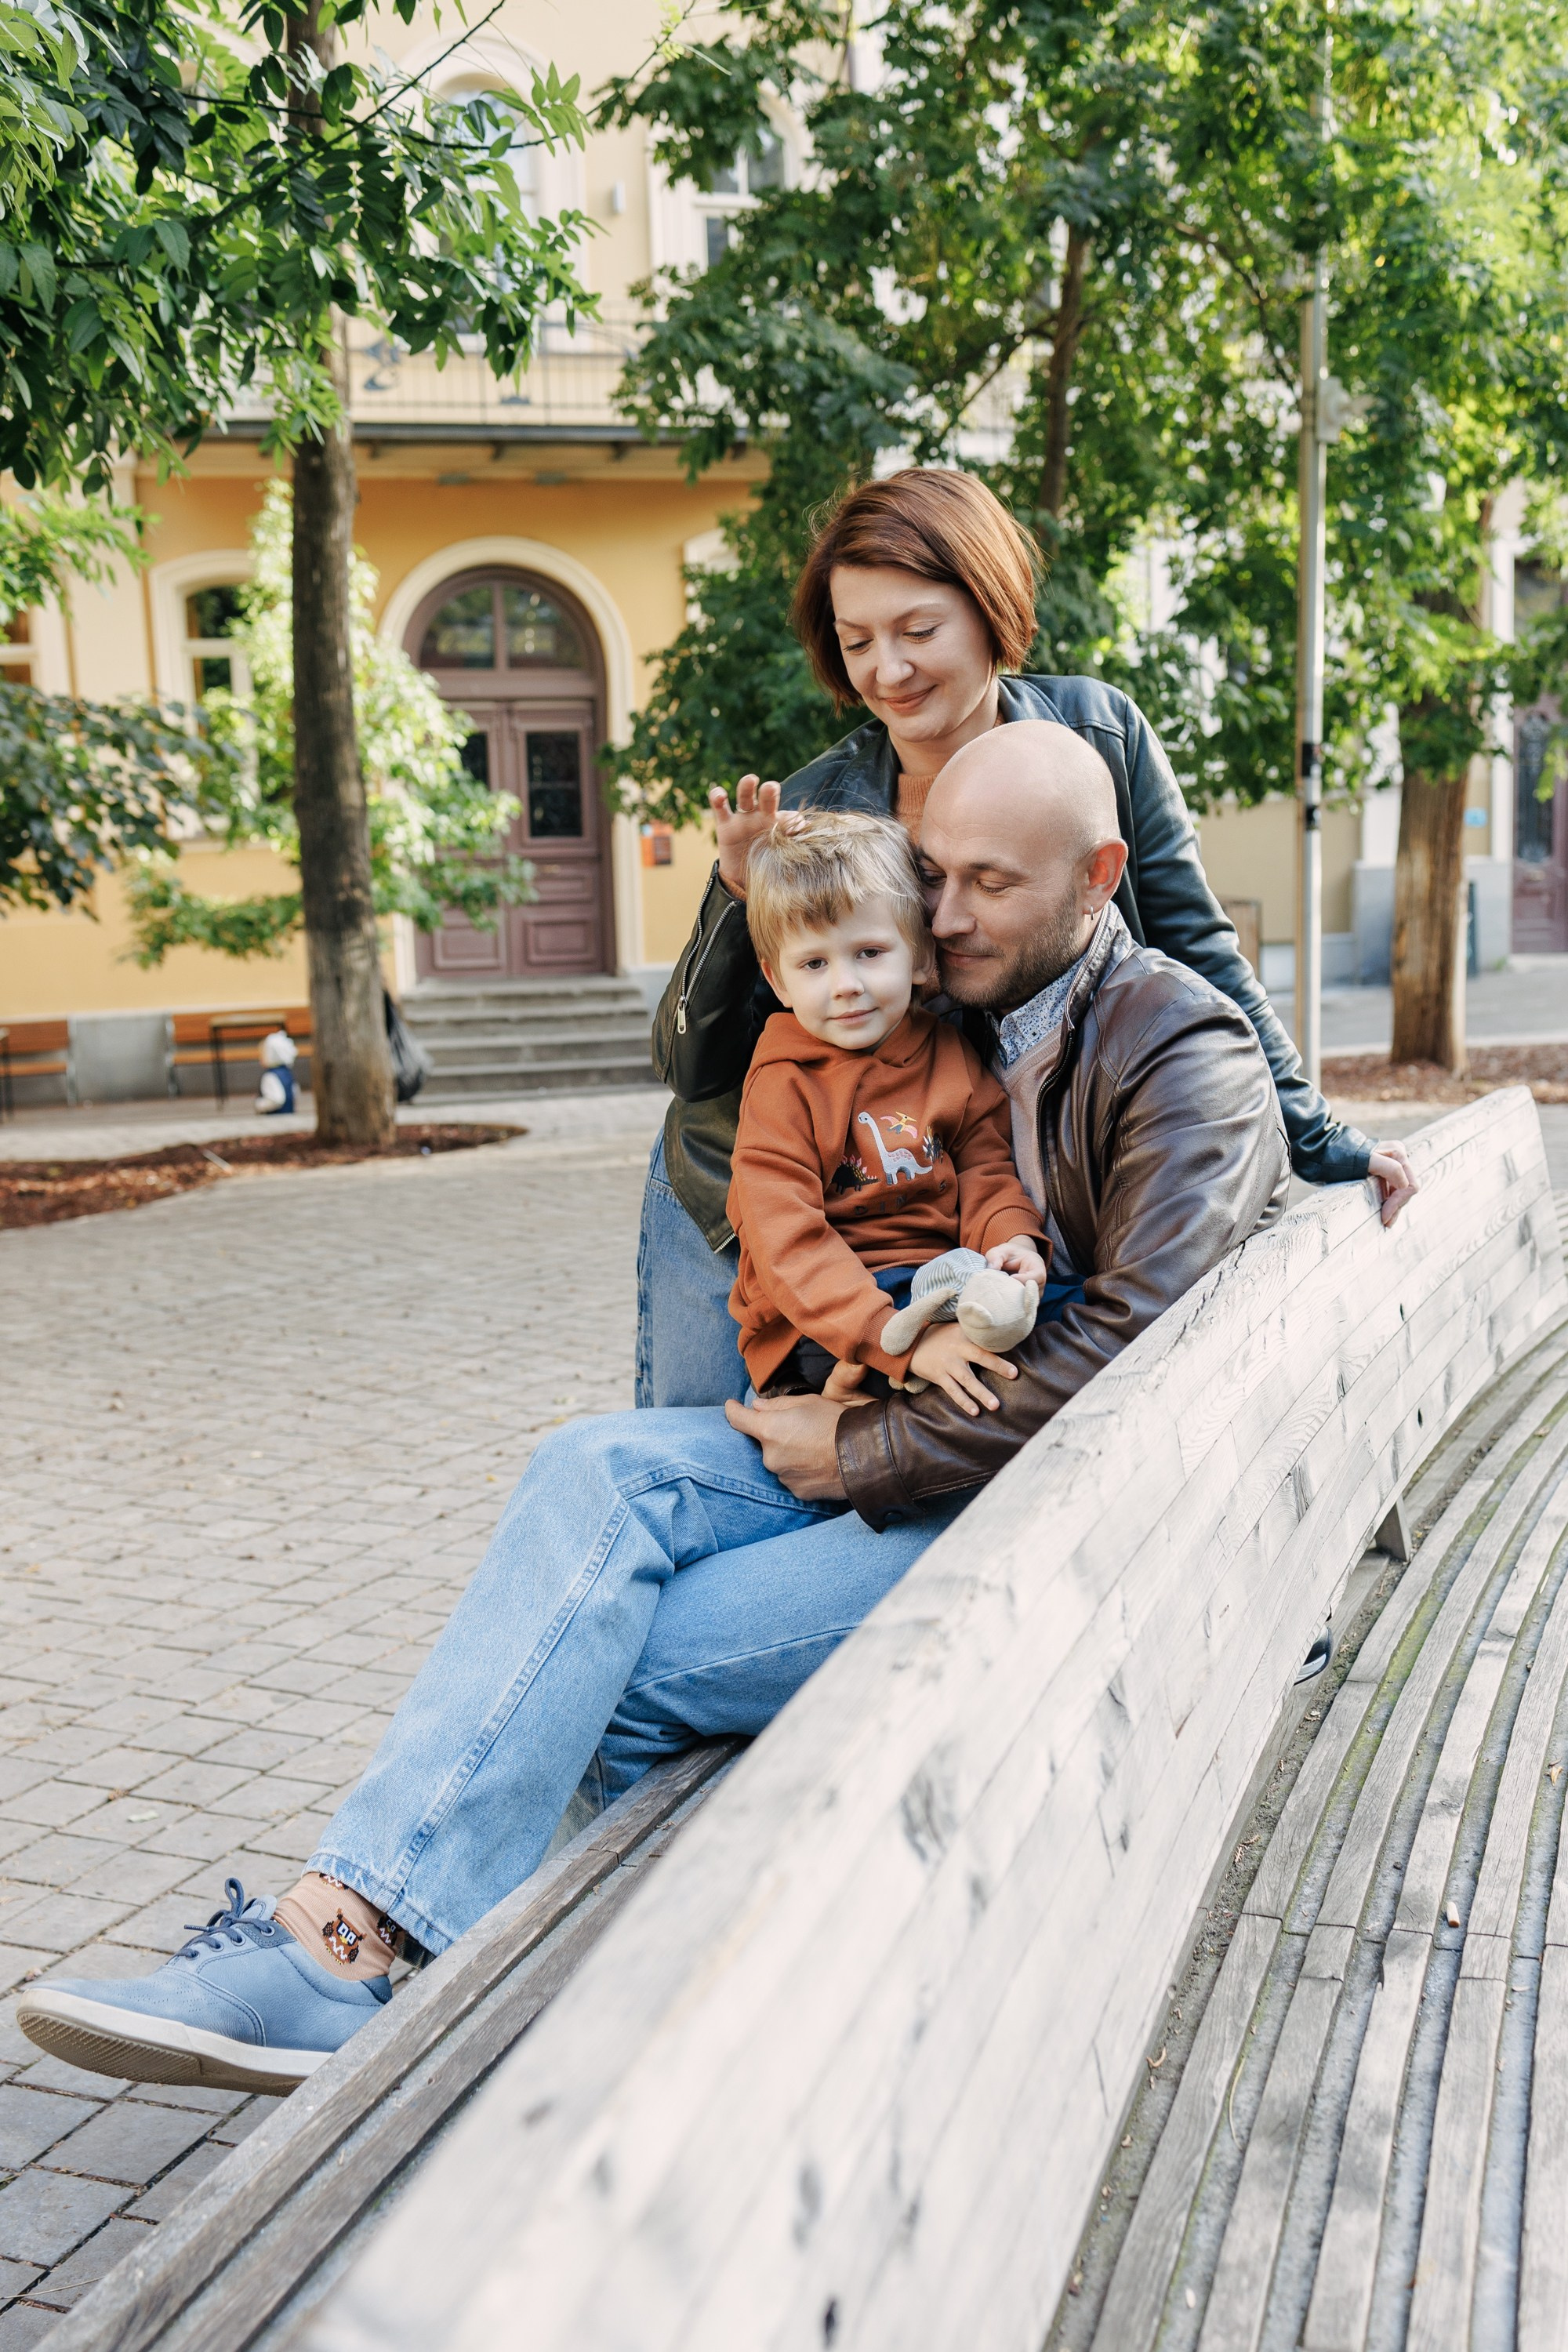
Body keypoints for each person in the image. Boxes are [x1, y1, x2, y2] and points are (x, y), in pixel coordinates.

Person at [17, 724, 1293, 2094]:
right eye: (936, 874)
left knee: (589, 1654)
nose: (945, 913)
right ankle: (345, 1939)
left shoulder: (1176, 1049)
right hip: (908, 1427)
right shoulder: (971, 992)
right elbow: (759, 1051)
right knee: (587, 1474)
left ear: (1099, 875)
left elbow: (1133, 1356)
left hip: (1034, 1517)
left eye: (989, 883)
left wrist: (870, 1444)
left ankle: (475, 1997)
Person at [637, 466, 1417, 1410]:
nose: (888, 670)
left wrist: (1318, 1137)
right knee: (706, 1446)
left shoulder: (1095, 740)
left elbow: (1196, 953)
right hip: (763, 1191)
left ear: (989, 609)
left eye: (917, 630)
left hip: (941, 1191)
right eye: (856, 641)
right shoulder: (815, 810)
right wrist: (733, 892)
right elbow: (689, 1064)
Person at [730, 807, 1049, 1414]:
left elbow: (986, 1170)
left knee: (1062, 1320)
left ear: (921, 956)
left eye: (870, 952)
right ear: (778, 981)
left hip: (943, 1279)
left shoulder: (948, 1054)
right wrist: (896, 1339)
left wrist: (1012, 1240)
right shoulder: (783, 1085)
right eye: (815, 964)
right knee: (986, 1382)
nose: (845, 984)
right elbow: (785, 1244)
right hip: (824, 1317)